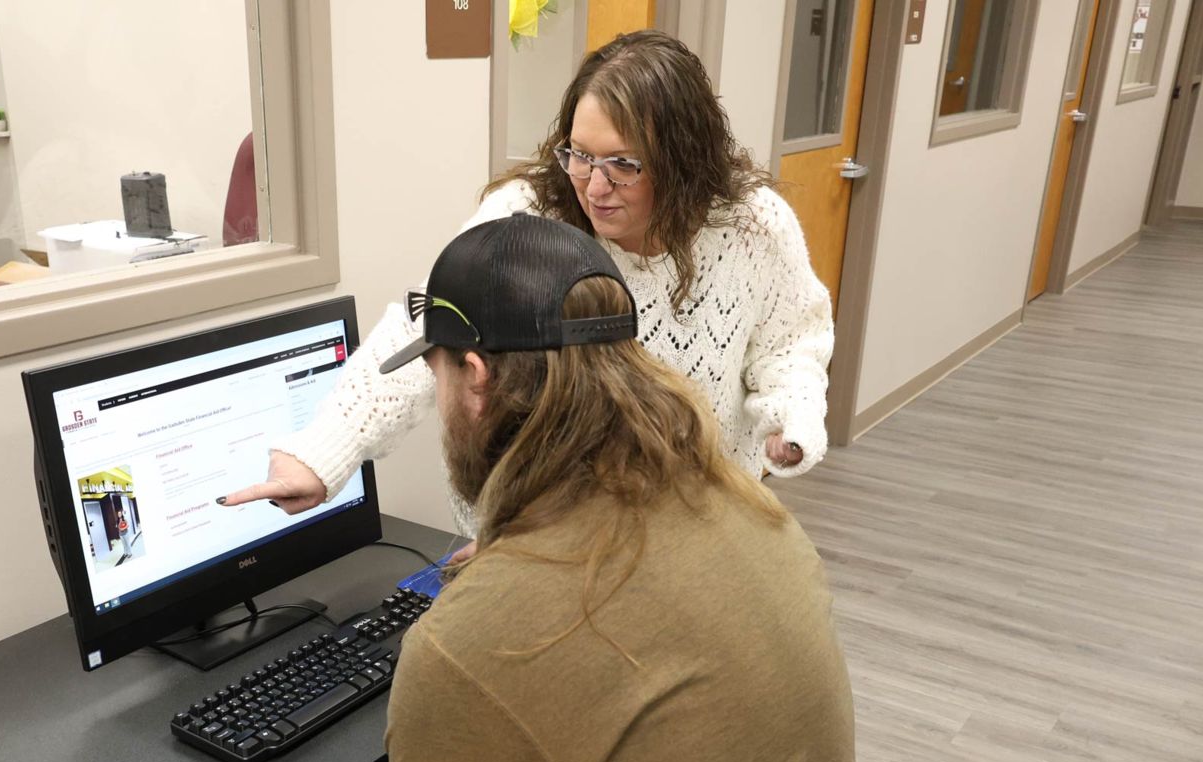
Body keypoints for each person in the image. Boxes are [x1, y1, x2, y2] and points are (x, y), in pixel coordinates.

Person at [198, 215, 858, 762]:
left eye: (433, 374)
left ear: (474, 378)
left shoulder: (473, 643)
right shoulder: (745, 504)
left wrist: (487, 624)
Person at [222, 30, 834, 543]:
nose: (594, 187)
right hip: (548, 532)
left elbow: (792, 342)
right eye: (580, 155)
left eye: (624, 164)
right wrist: (322, 451)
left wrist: (790, 420)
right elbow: (427, 330)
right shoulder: (526, 215)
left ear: (684, 159)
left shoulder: (753, 225)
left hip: (697, 525)